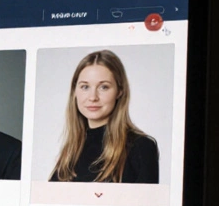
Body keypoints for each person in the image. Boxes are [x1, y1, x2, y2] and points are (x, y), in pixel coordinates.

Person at [50, 50, 159, 184]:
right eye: (85, 87)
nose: (93, 97)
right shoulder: (71, 151)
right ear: (75, 92)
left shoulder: (141, 147)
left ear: (119, 91)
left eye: (104, 87)